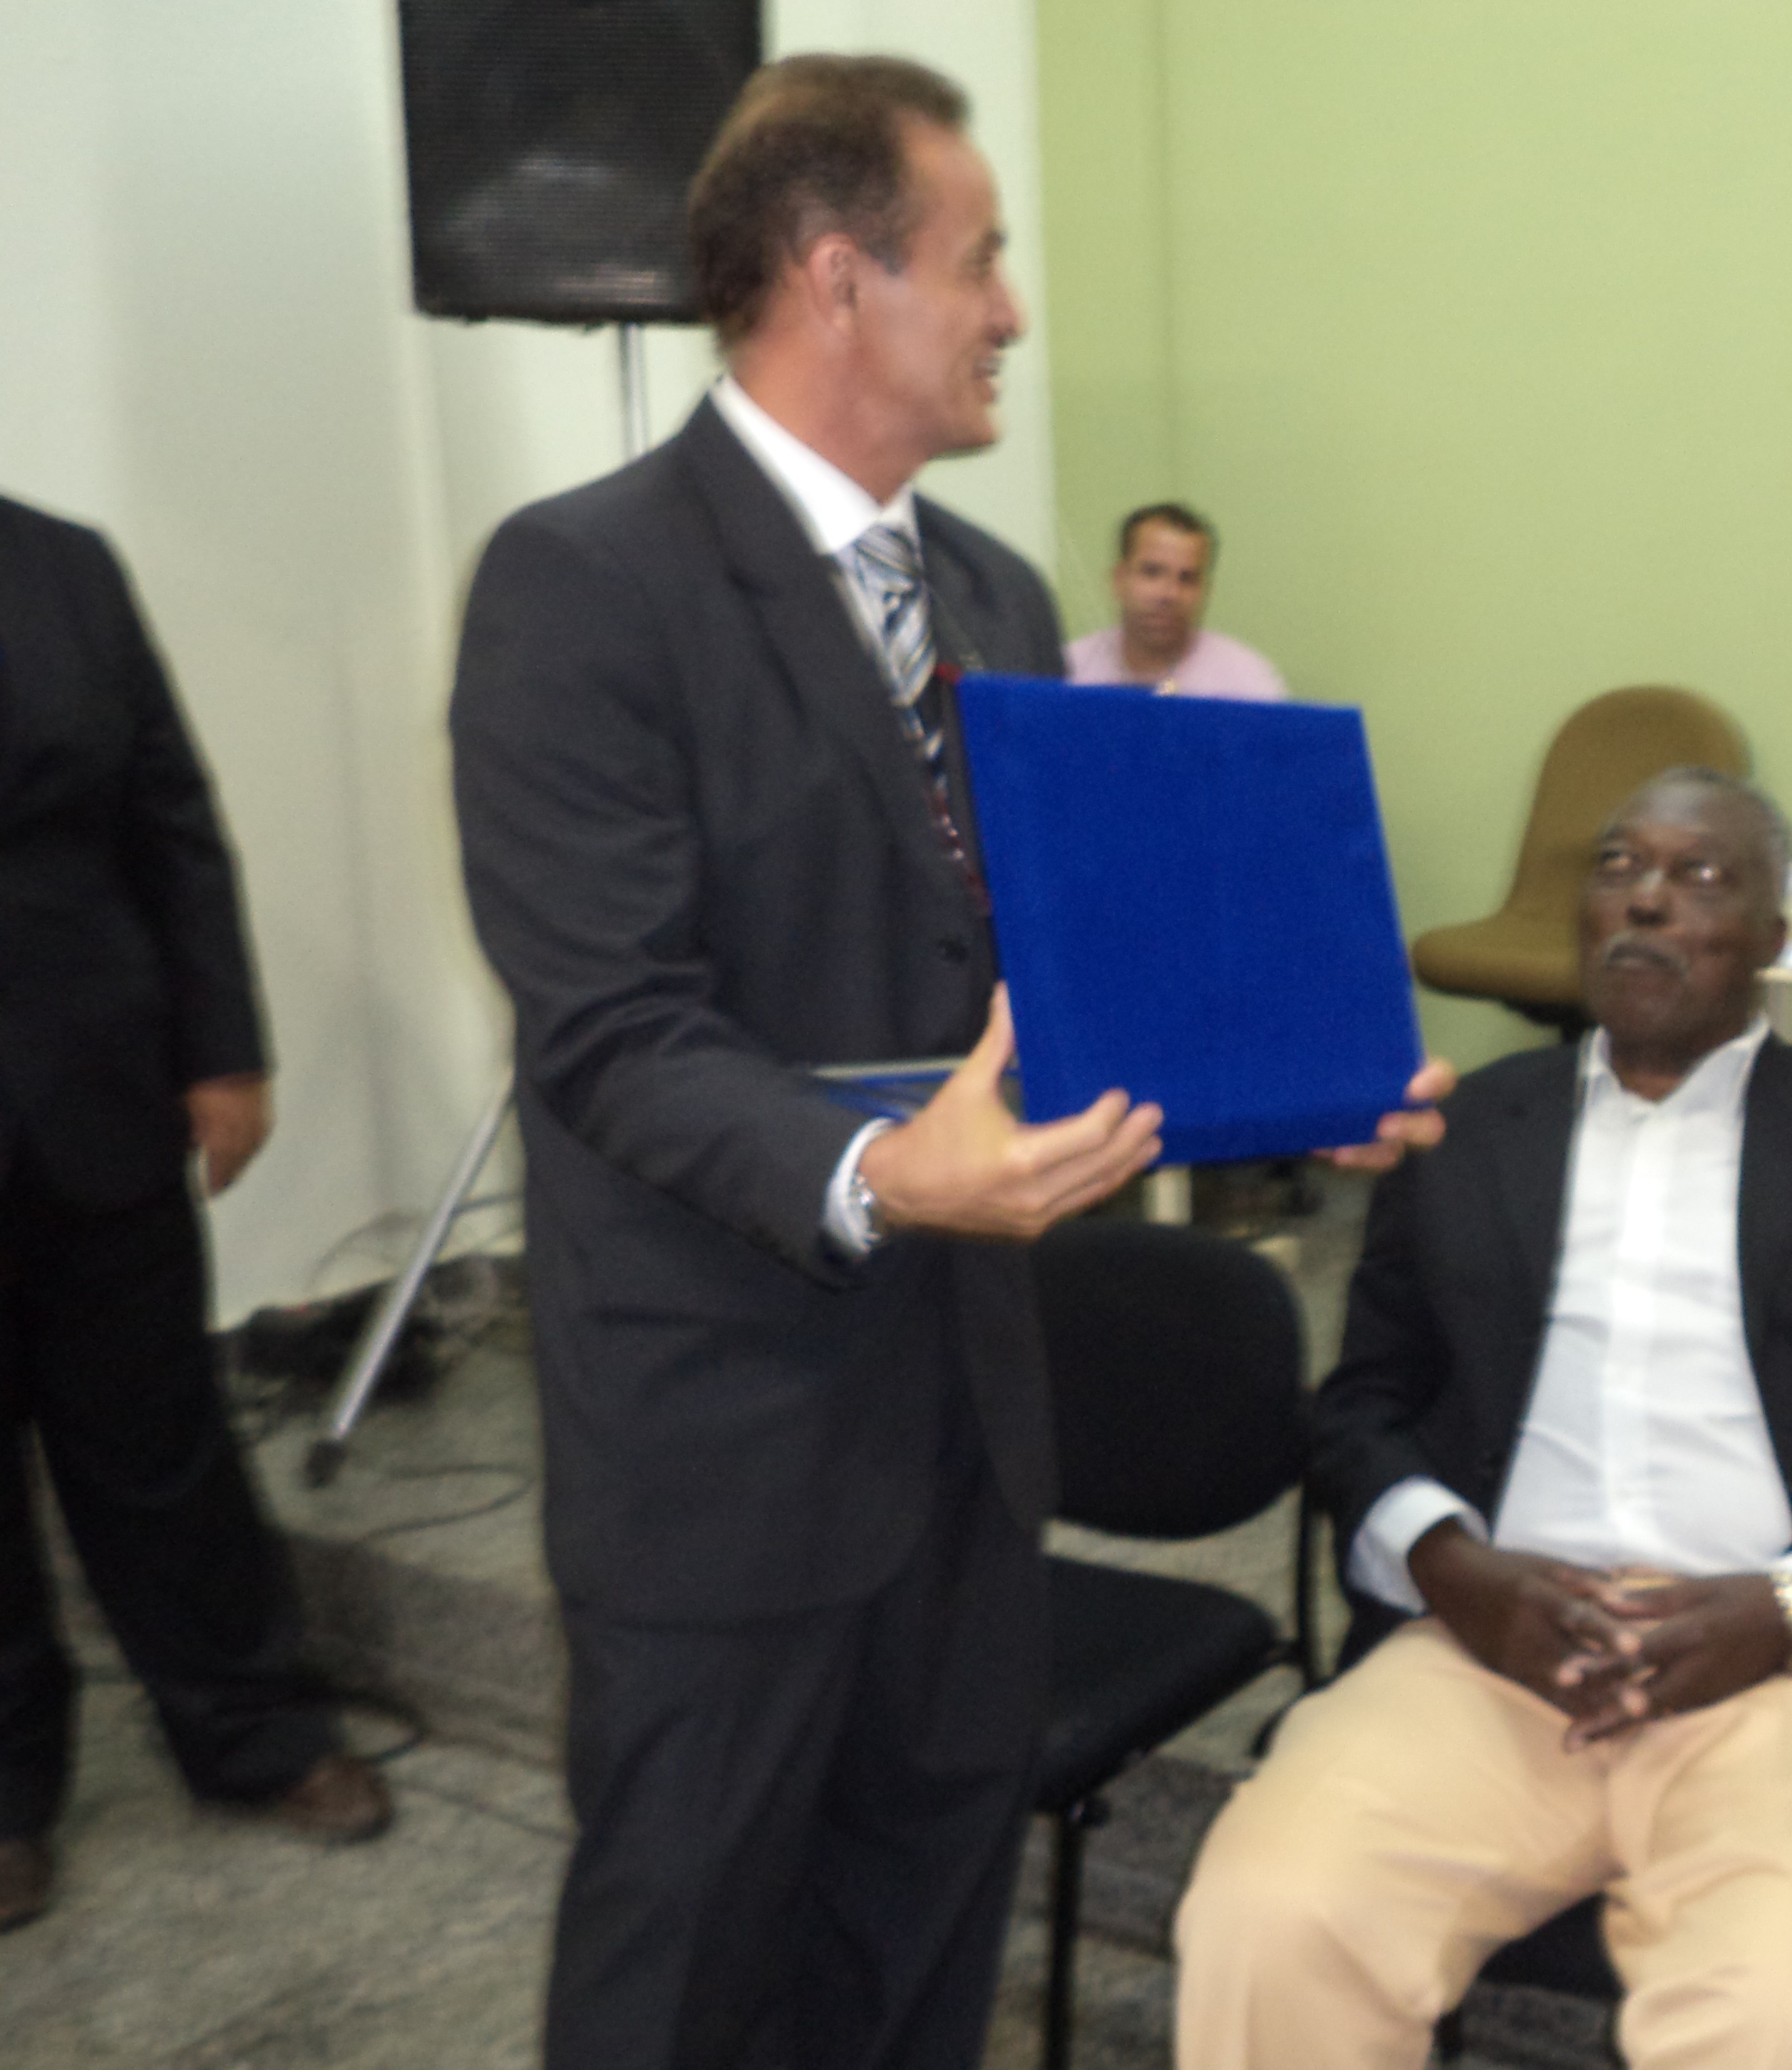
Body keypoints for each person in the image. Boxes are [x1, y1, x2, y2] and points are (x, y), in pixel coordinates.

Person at [450, 56, 1441, 2069]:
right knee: (678, 1974)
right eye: (980, 261)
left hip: (970, 1431)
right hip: (724, 1446)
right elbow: (614, 1027)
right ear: (840, 276)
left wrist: (1281, 1069)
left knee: (919, 1955)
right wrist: (885, 1173)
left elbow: (1049, 970)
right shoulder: (586, 583)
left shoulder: (989, 591)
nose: (1011, 309)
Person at [1176, 769, 1792, 2069]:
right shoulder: (1466, 1127)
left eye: (1700, 876)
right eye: (1618, 865)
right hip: (1492, 1645)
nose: (1646, 897)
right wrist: (1454, 1570)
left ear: (1772, 936)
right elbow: (1364, 1405)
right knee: (1269, 1918)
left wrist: (1791, 1605)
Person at [0, 494, 391, 1935]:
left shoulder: (64, 566)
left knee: (161, 1443)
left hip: (94, 1087)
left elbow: (171, 819)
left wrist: (223, 1048)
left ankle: (256, 1731)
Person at [1062, 501, 1288, 700]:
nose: (1169, 594)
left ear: (1205, 592)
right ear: (1118, 579)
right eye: (1152, 573)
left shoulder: (1249, 686)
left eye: (1187, 579)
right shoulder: (1067, 674)